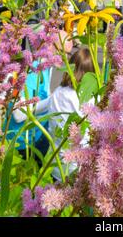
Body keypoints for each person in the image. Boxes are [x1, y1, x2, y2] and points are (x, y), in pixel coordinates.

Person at [35, 48, 95, 181]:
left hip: (54, 163)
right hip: (76, 167)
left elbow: (36, 108)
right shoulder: (88, 99)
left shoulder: (58, 92)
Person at [4, 64, 52, 162]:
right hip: (20, 143)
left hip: (38, 134)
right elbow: (18, 114)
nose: (72, 47)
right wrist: (53, 100)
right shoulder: (27, 69)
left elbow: (45, 93)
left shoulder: (47, 65)